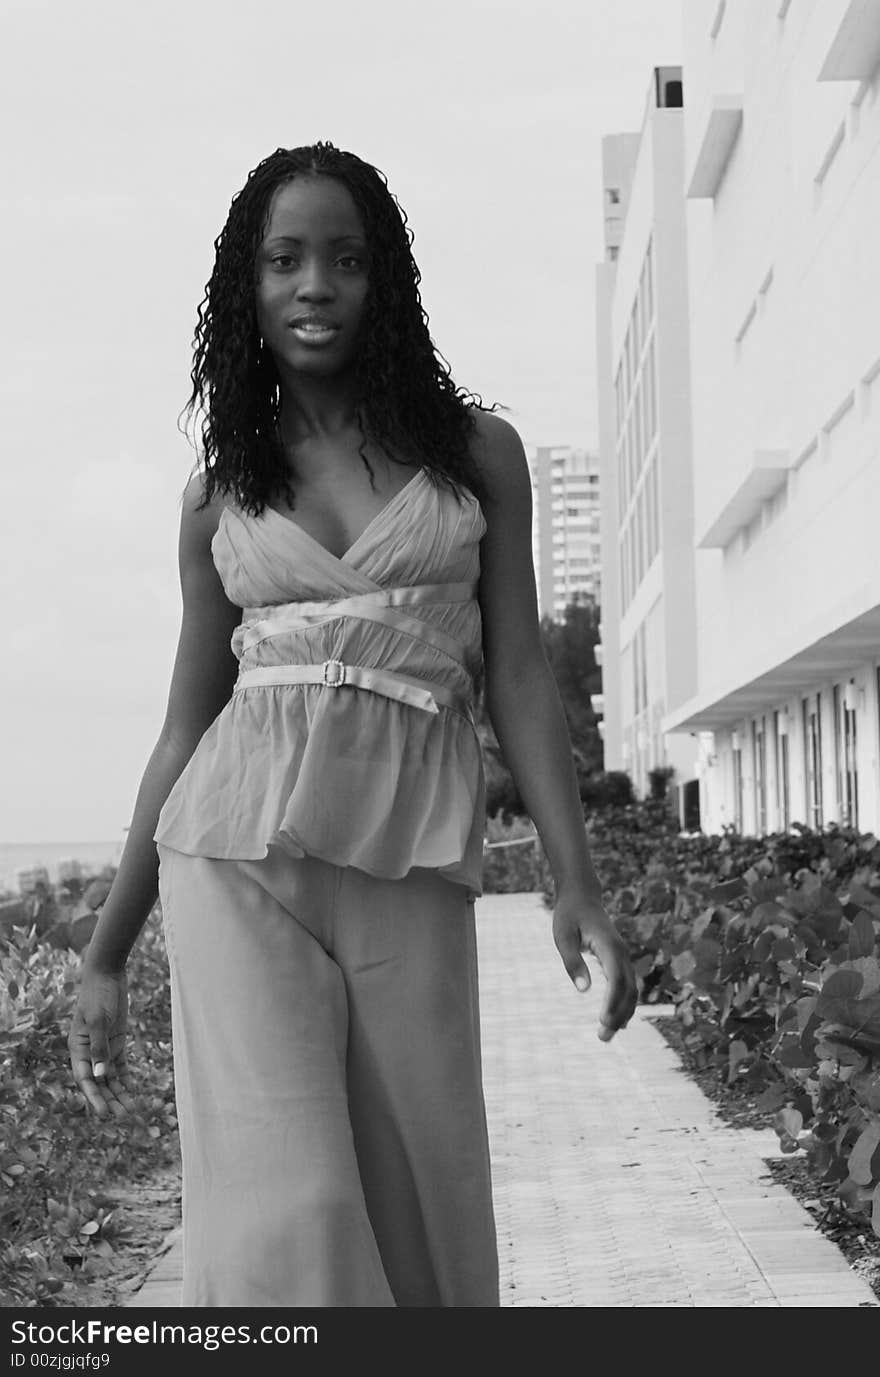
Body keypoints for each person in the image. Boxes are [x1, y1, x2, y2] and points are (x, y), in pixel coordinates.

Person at [68, 141, 638, 1309]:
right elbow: (185, 729)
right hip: (233, 859)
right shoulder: (218, 492)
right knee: (292, 1207)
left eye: (344, 259)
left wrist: (576, 885)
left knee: (420, 1195)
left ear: (386, 284)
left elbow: (521, 671)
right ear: (249, 286)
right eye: (284, 260)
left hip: (406, 856)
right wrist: (107, 951)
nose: (314, 285)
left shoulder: (477, 456)